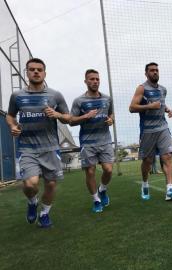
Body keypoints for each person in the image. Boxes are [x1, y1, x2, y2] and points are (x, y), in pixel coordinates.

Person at [6, 58, 71, 228]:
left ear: (44, 73)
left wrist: (57, 115)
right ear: (27, 72)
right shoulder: (17, 96)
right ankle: (32, 201)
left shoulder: (55, 95)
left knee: (50, 184)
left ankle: (44, 214)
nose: (36, 72)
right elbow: (10, 115)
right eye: (32, 69)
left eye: (39, 69)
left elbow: (68, 117)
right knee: (30, 183)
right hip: (27, 148)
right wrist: (12, 126)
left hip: (50, 148)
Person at [129, 62, 172, 201]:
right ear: (146, 73)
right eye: (152, 70)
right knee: (148, 161)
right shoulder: (141, 88)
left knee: (167, 157)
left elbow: (160, 104)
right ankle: (145, 184)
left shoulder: (163, 89)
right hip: (147, 130)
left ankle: (169, 190)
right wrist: (150, 106)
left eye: (157, 70)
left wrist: (167, 109)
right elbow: (132, 107)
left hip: (163, 127)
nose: (155, 72)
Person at [70, 69, 114, 213]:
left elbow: (111, 114)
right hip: (87, 143)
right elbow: (71, 121)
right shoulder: (79, 101)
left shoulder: (107, 99)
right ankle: (96, 200)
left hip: (105, 140)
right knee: (90, 172)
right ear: (86, 81)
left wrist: (111, 120)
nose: (95, 81)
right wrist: (85, 116)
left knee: (108, 170)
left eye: (97, 79)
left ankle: (102, 189)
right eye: (92, 79)